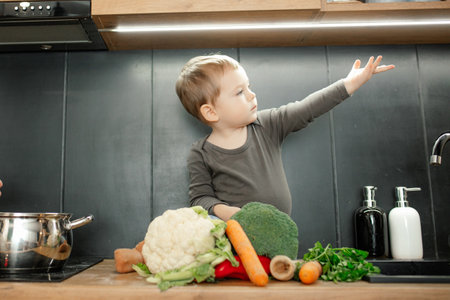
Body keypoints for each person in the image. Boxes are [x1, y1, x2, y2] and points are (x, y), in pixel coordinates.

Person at [176, 54, 395, 221]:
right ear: (211, 112)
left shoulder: (266, 125)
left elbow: (307, 108)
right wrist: (230, 214)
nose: (252, 95)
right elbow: (200, 199)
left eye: (248, 87)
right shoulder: (201, 153)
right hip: (233, 239)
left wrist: (350, 84)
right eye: (239, 92)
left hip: (280, 236)